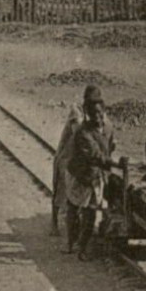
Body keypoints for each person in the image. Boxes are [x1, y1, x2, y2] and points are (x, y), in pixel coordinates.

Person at [65, 88, 118, 260]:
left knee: (90, 213)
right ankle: (71, 242)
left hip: (95, 176)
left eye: (100, 113)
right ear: (87, 113)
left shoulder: (106, 127)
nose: (97, 116)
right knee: (73, 208)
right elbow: (95, 154)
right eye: (94, 113)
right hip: (80, 175)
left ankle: (82, 248)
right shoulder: (83, 132)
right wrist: (115, 163)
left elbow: (109, 147)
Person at [50, 89, 92, 236]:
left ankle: (76, 226)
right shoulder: (76, 111)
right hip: (65, 158)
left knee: (76, 192)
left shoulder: (92, 114)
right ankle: (54, 223)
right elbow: (78, 133)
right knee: (61, 191)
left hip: (77, 159)